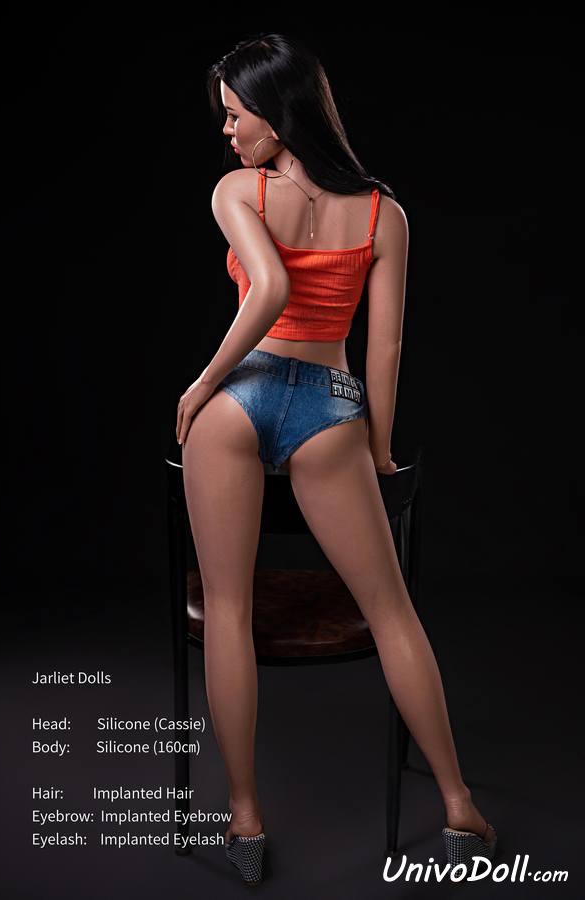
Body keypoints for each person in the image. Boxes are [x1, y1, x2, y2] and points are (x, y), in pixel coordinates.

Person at [175, 32, 497, 885]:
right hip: (330, 408)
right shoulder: (384, 212)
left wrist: (202, 384)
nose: (228, 132)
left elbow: (271, 290)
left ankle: (246, 820)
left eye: (236, 116)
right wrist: (377, 448)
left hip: (236, 403)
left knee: (229, 611)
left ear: (277, 115)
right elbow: (383, 350)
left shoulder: (239, 192)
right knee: (392, 612)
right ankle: (459, 804)